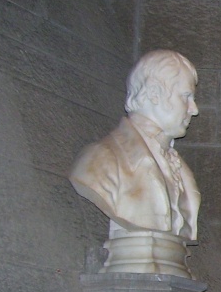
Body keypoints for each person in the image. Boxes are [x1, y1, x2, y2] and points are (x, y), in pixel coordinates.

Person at [69, 49, 201, 241]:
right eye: (186, 97)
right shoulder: (100, 161)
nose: (194, 110)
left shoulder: (182, 170)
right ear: (155, 93)